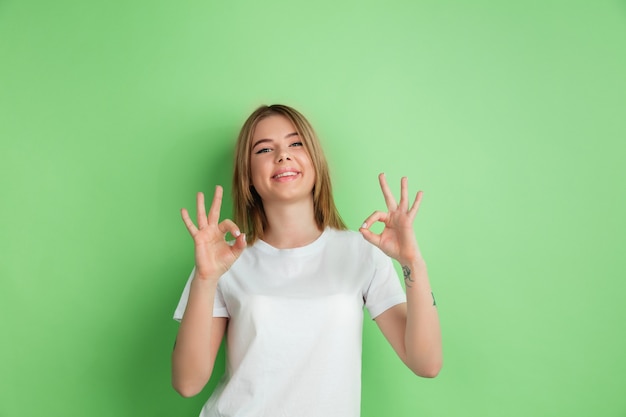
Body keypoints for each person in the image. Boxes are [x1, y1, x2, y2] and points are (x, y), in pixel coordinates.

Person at [172, 104, 442, 417]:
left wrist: (412, 262)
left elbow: (427, 363)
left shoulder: (362, 252)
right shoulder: (223, 260)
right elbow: (187, 383)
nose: (283, 155)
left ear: (316, 163)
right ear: (247, 177)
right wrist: (205, 279)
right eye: (264, 149)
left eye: (295, 143)